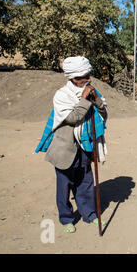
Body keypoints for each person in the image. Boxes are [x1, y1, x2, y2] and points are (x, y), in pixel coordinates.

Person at [35, 56, 107, 233]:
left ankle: (89, 214)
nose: (89, 79)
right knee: (64, 185)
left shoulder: (90, 91)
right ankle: (66, 218)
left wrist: (96, 98)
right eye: (85, 76)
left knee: (86, 183)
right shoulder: (62, 95)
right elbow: (72, 118)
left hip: (84, 147)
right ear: (74, 78)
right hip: (65, 149)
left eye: (89, 74)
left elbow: (103, 110)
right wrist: (84, 99)